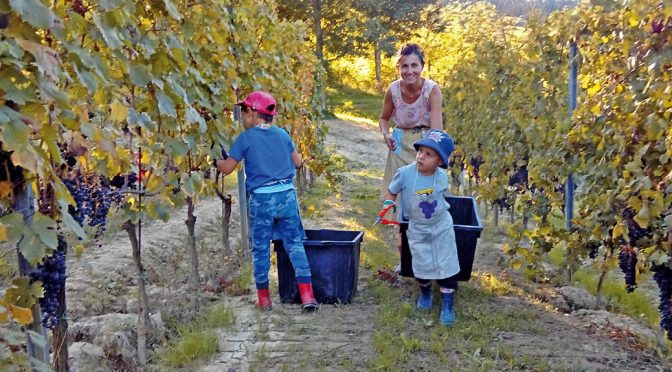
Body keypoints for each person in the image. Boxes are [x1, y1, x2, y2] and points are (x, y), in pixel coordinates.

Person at [214, 91, 317, 312]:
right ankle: (308, 296)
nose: (242, 119)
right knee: (295, 244)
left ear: (251, 112)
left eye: (243, 113)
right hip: (287, 196)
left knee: (260, 248)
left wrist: (215, 159)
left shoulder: (245, 138)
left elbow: (228, 168)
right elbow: (298, 163)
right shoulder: (282, 134)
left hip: (262, 199)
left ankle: (264, 299)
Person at [382, 130, 460, 326]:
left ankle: (447, 305)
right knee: (422, 264)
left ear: (440, 162)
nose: (421, 157)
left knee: (447, 265)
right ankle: (425, 293)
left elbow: (442, 199)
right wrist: (388, 208)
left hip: (441, 226)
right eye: (420, 151)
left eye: (429, 154)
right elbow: (391, 192)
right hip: (418, 227)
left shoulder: (442, 177)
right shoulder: (405, 174)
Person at [379, 43, 444, 278]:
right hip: (400, 146)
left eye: (414, 65)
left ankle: (430, 259)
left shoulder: (432, 91)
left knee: (425, 201)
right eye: (404, 66)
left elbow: (437, 131)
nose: (409, 71)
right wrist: (386, 135)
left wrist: (431, 157)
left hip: (426, 145)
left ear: (422, 66)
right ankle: (405, 261)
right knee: (402, 205)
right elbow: (384, 119)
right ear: (398, 67)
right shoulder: (393, 91)